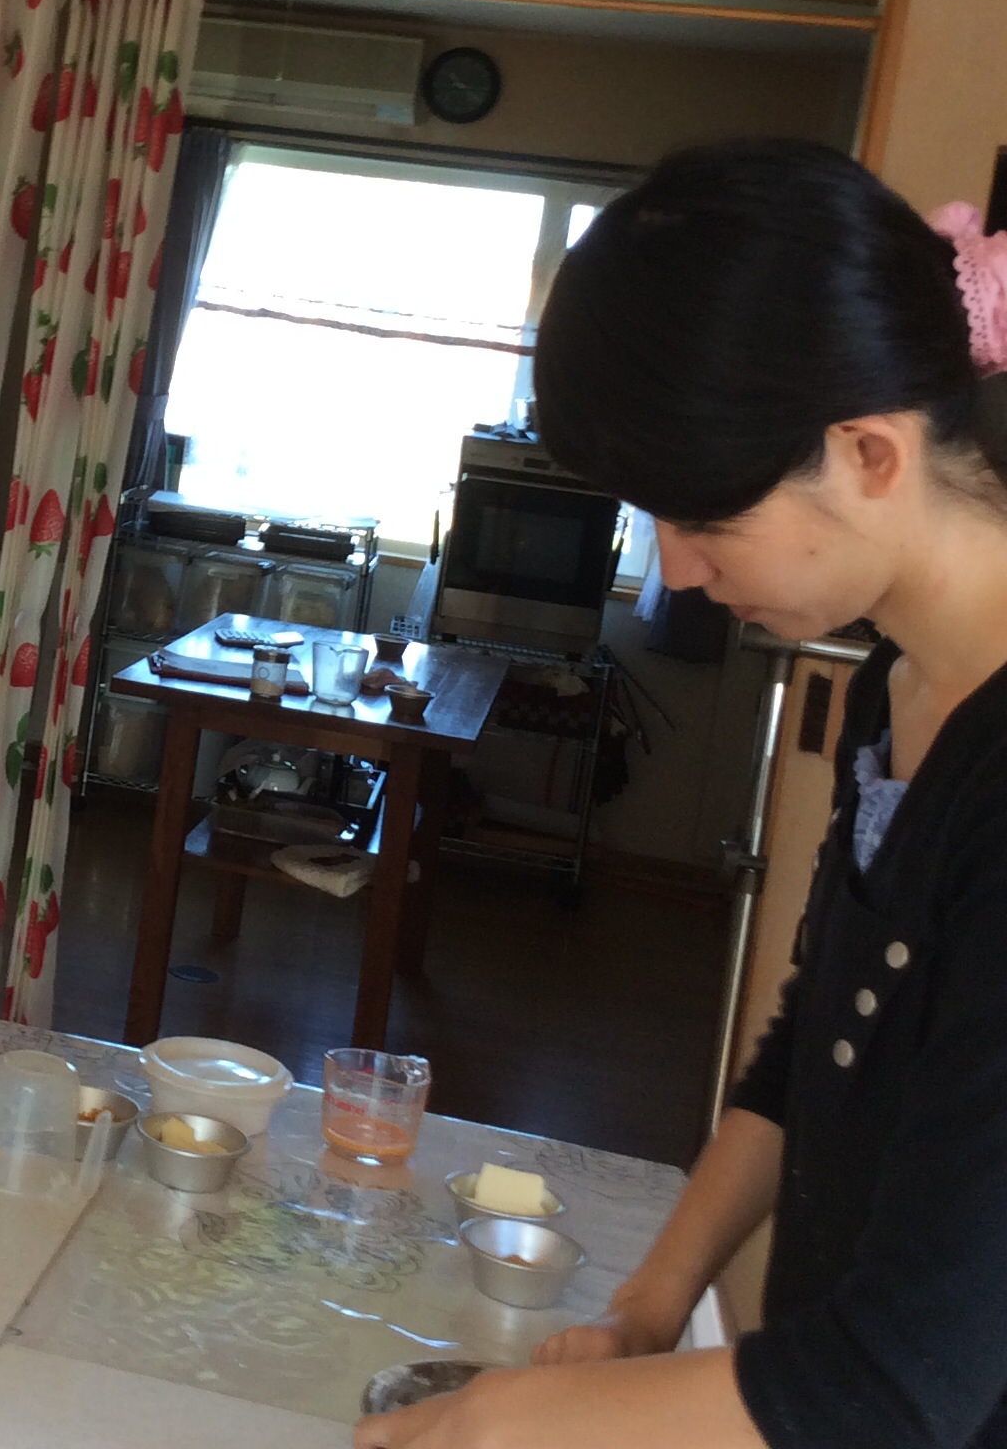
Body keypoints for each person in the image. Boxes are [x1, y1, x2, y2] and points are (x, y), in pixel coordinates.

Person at [355, 137, 1007, 1448]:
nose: (683, 570)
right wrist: (648, 1308)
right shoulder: (899, 686)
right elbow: (811, 1047)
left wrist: (510, 1421)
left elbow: (897, 1383)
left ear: (867, 453)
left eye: (704, 521)